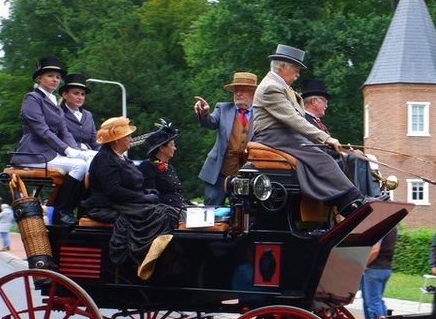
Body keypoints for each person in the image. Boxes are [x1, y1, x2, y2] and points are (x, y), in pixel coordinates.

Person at [251, 45, 366, 216]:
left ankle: (340, 199)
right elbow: (294, 119)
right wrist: (326, 139)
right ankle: (350, 201)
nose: (297, 75)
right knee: (321, 158)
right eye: (296, 70)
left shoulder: (280, 86)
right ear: (282, 66)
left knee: (321, 153)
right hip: (274, 136)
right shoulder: (270, 88)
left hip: (286, 135)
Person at [82, 117, 180, 269]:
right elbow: (113, 191)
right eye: (127, 136)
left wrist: (148, 192)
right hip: (108, 205)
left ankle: (155, 252)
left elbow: (134, 185)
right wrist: (143, 197)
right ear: (116, 140)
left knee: (168, 211)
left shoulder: (121, 159)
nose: (131, 139)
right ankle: (142, 255)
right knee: (161, 214)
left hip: (125, 202)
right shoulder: (104, 159)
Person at [11, 56, 94, 224]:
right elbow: (42, 130)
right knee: (80, 165)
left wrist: (80, 151)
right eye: (50, 75)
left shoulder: (54, 103)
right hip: (34, 154)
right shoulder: (32, 98)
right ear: (39, 78)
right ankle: (61, 211)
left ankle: (83, 210)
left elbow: (65, 132)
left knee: (91, 160)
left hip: (49, 153)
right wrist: (67, 150)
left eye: (57, 77)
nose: (55, 80)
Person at [194, 71, 257, 206]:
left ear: (253, 93)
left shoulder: (261, 115)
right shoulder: (223, 108)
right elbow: (209, 122)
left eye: (243, 90)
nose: (238, 93)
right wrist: (204, 113)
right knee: (211, 215)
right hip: (218, 175)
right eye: (236, 90)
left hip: (245, 176)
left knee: (242, 214)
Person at [360, 226, 400, 319]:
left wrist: (363, 264)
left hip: (374, 269)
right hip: (385, 268)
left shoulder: (382, 227)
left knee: (373, 302)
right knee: (377, 300)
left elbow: (375, 249)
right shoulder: (394, 227)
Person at [136, 123, 188, 210]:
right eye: (172, 145)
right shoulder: (148, 166)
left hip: (180, 209)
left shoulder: (170, 167)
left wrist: (192, 206)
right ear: (162, 148)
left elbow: (177, 195)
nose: (175, 148)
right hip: (166, 212)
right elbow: (150, 196)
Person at [59, 73, 98, 151]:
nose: (80, 97)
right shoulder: (57, 113)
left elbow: (94, 142)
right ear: (65, 95)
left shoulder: (88, 115)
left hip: (89, 153)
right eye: (76, 93)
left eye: (82, 94)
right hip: (67, 154)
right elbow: (59, 138)